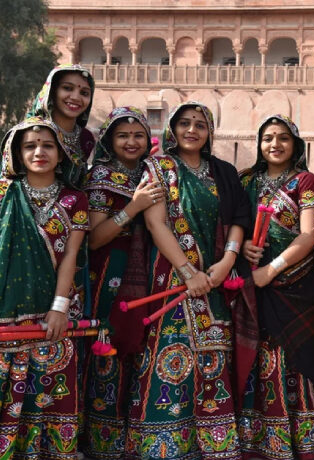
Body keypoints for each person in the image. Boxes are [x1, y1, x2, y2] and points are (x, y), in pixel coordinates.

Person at [125, 101, 253, 459]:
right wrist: (187, 272)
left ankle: (213, 443)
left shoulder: (224, 172)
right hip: (172, 279)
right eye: (184, 123)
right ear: (172, 129)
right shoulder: (158, 168)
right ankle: (163, 446)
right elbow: (156, 224)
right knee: (172, 355)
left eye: (200, 124)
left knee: (213, 358)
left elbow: (239, 218)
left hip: (215, 281)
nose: (192, 130)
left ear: (210, 131)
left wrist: (228, 261)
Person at [238, 114, 314, 459]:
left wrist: (271, 269)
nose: (275, 144)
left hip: (297, 285)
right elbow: (234, 226)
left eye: (283, 138)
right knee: (258, 357)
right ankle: (259, 438)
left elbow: (308, 235)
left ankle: (302, 439)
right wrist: (243, 247)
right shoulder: (246, 180)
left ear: (295, 144)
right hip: (254, 282)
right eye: (268, 138)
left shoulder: (305, 181)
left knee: (299, 358)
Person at [0, 116, 89, 458]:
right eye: (30, 146)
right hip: (5, 314)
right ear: (17, 153)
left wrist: (59, 308)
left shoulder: (74, 200)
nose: (39, 152)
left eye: (48, 145)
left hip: (51, 314)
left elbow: (70, 258)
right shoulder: (4, 192)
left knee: (47, 394)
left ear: (62, 152)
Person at [82, 107, 162, 458]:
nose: (131, 142)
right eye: (123, 135)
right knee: (109, 349)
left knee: (143, 349)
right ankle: (104, 441)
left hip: (147, 272)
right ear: (109, 140)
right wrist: (133, 207)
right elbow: (95, 238)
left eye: (138, 135)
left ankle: (136, 437)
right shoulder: (101, 175)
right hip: (110, 278)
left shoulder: (154, 173)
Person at [28, 64, 96, 187]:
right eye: (67, 88)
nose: (76, 97)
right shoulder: (30, 133)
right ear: (52, 91)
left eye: (84, 93)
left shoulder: (85, 138)